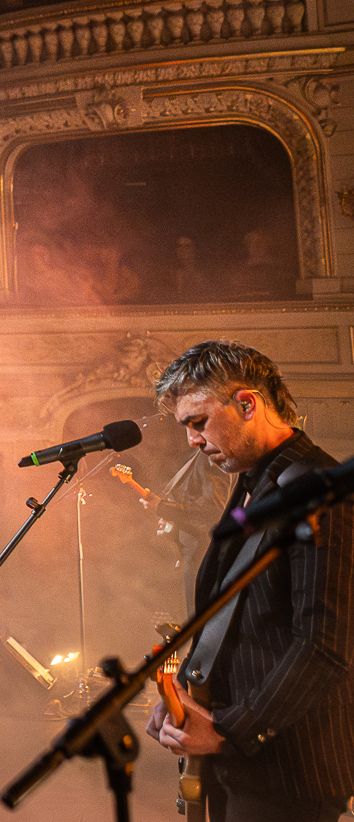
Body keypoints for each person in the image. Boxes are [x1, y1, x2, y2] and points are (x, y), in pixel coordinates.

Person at [143, 340, 354, 822]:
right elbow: (235, 615)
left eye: (199, 422)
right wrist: (184, 696)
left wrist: (231, 729)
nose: (193, 441)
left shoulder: (319, 491)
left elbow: (325, 646)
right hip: (244, 761)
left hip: (290, 770)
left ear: (246, 403)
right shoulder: (257, 481)